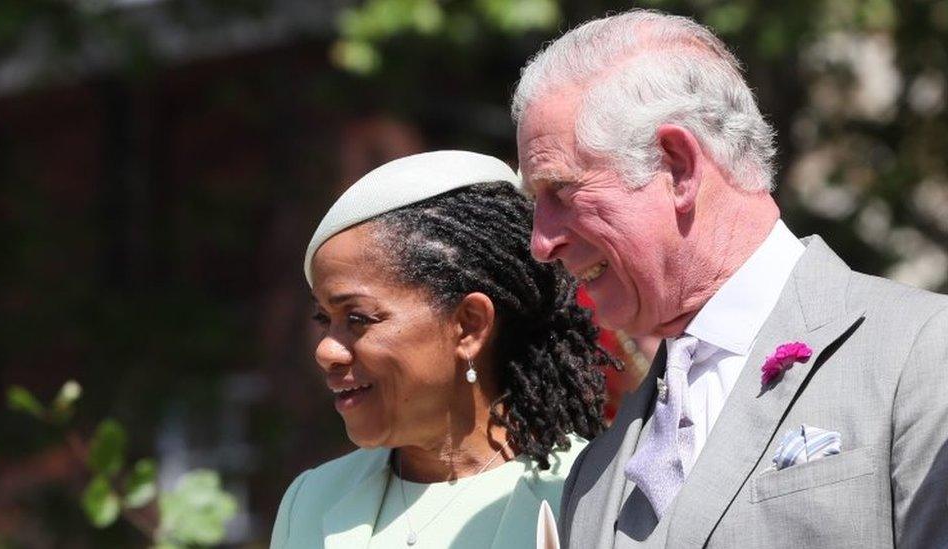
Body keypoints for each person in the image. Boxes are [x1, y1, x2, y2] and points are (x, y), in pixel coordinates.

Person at [512, 9, 948, 549]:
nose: (541, 241)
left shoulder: (923, 351)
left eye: (561, 190)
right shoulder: (594, 474)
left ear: (677, 167)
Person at [270, 150, 614, 548]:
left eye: (358, 319)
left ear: (469, 325)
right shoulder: (311, 501)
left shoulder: (592, 495)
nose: (327, 351)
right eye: (324, 320)